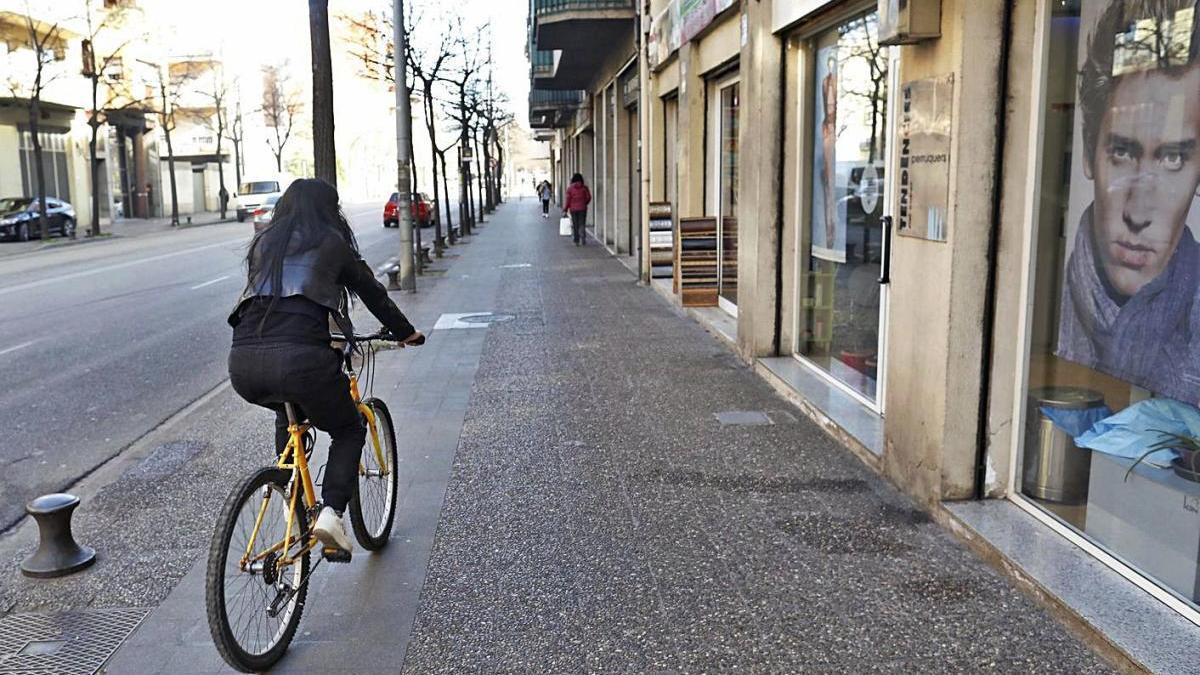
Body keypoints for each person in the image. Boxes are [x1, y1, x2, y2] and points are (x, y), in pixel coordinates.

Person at [227, 178, 424, 552]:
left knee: (288, 414)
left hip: (243, 361)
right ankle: (331, 513)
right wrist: (406, 331)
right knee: (349, 427)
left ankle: (292, 500)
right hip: (301, 358)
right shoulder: (332, 244)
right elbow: (373, 293)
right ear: (328, 210)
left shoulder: (264, 243)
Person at [1057, 0, 1200, 403]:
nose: (1137, 212)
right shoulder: (1049, 306)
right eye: (1122, 152)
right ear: (1089, 152)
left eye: (1174, 158)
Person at [563, 173, 592, 246]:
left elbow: (568, 200)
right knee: (582, 223)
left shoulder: (570, 189)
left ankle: (577, 240)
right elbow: (588, 197)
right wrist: (584, 203)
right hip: (582, 208)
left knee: (575, 224)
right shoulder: (584, 188)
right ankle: (583, 236)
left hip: (573, 209)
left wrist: (565, 209)